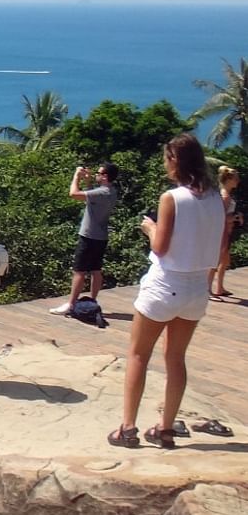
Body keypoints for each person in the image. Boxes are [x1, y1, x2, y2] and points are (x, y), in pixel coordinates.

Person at [108, 134, 225, 449]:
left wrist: (150, 228)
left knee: (138, 355)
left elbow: (160, 248)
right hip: (197, 287)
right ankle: (166, 427)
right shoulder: (216, 197)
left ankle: (128, 428)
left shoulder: (172, 198)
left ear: (174, 161)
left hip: (165, 285)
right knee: (176, 358)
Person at [49, 162, 119, 315]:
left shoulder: (102, 192)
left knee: (79, 271)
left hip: (88, 235)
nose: (96, 175)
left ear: (105, 176)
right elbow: (92, 198)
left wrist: (76, 177)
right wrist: (87, 182)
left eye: (99, 173)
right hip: (101, 236)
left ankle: (71, 304)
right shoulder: (111, 191)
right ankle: (92, 300)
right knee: (96, 270)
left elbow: (74, 194)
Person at [209, 166, 243, 299]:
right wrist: (235, 217)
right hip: (222, 232)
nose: (237, 181)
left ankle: (219, 287)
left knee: (224, 260)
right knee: (216, 261)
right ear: (228, 180)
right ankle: (208, 289)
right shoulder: (225, 196)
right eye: (235, 179)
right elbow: (221, 217)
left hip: (226, 231)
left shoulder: (224, 195)